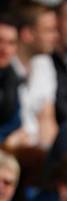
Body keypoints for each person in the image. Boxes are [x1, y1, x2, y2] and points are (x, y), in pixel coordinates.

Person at [11, 1, 58, 149]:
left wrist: (46, 154)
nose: (56, 36)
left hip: (35, 153)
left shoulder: (44, 63)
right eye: (49, 30)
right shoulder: (5, 63)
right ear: (27, 34)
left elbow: (47, 118)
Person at [0, 14, 21, 142]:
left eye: (11, 43)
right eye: (0, 41)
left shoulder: (12, 77)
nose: (4, 49)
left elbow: (15, 123)